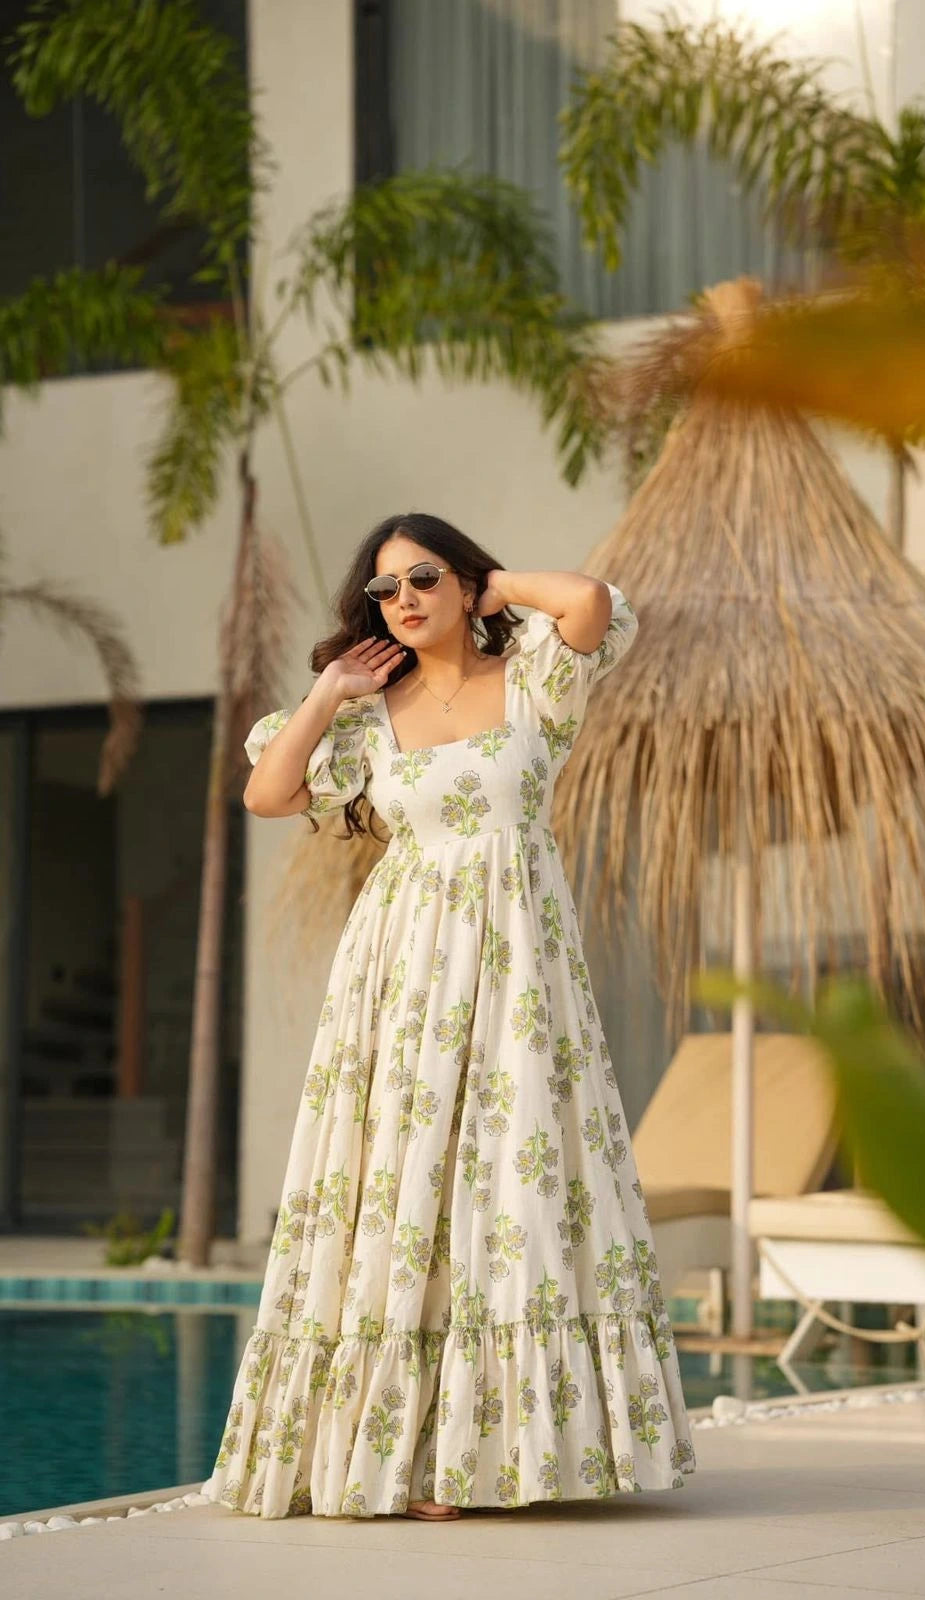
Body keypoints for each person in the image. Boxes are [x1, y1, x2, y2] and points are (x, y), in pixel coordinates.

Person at [200, 512, 695, 1522]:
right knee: (407, 1183)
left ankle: (505, 1447)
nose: (405, 600)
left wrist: (491, 583)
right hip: (404, 969)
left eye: (424, 577)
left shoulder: (537, 684)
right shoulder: (369, 713)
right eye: (384, 590)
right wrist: (330, 691)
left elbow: (589, 603)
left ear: (465, 582)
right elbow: (267, 791)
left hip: (520, 963)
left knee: (509, 1184)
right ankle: (412, 1452)